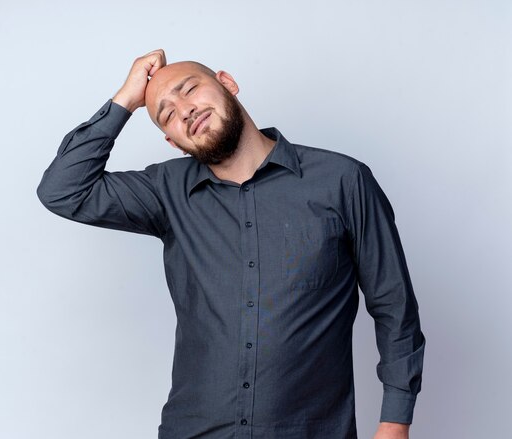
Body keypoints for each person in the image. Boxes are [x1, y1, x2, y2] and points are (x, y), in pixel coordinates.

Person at [36, 49, 426, 439]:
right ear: (172, 142)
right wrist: (126, 98)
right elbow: (63, 191)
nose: (184, 111)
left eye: (189, 90)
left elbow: (393, 306)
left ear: (227, 83)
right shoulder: (164, 192)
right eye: (167, 114)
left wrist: (394, 423)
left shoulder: (342, 180)